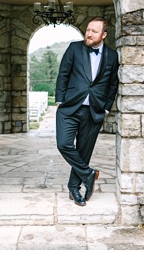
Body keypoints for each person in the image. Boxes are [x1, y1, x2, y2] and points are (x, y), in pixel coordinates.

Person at [54, 17, 119, 206]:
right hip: (70, 107)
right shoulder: (74, 48)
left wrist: (106, 107)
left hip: (94, 110)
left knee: (84, 151)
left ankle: (74, 188)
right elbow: (63, 74)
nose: (89, 34)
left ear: (104, 35)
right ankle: (88, 174)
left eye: (94, 31)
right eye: (88, 29)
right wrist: (60, 100)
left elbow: (113, 84)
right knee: (64, 144)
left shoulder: (112, 56)